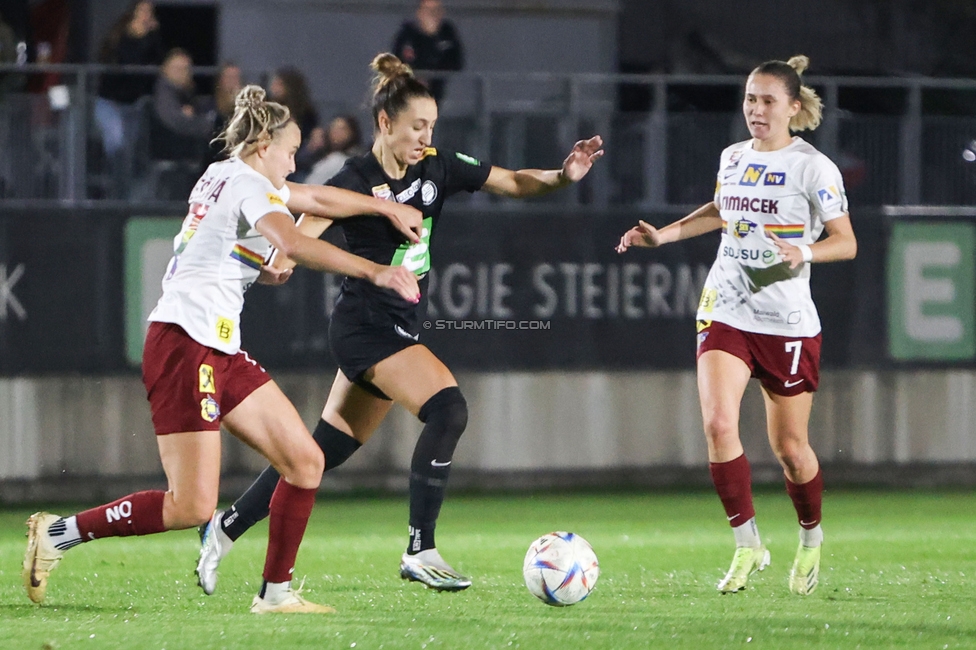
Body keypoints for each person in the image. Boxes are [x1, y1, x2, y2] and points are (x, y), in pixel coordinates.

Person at [194, 52, 603, 594]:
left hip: (397, 326)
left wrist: (561, 174)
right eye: (417, 126)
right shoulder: (355, 179)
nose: (426, 136)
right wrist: (282, 257)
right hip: (367, 327)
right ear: (385, 123)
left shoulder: (436, 164)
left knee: (321, 452)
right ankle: (420, 548)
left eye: (432, 125)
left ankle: (225, 527)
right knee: (449, 409)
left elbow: (515, 182)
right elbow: (307, 223)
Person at [23, 84, 425, 614]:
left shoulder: (226, 174)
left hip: (216, 346)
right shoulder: (248, 186)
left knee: (305, 461)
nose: (293, 161)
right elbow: (295, 241)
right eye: (290, 151)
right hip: (185, 345)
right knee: (191, 504)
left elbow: (317, 199)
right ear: (264, 148)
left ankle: (275, 595)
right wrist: (376, 269)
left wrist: (382, 207)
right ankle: (59, 534)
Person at [616, 55, 857, 596]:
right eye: (750, 99)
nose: (756, 109)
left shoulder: (814, 167)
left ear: (793, 107)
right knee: (720, 425)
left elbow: (848, 241)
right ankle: (748, 544)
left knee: (791, 449)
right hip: (727, 305)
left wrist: (804, 251)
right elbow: (723, 210)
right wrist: (665, 237)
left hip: (787, 320)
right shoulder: (732, 157)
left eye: (768, 100)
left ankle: (811, 539)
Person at [95, 1, 164, 158]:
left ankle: (123, 180)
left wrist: (153, 34)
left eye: (149, 11)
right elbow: (126, 59)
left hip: (134, 101)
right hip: (111, 98)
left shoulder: (151, 36)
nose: (146, 15)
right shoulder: (120, 33)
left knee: (130, 147)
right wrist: (142, 36)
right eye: (142, 10)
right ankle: (112, 177)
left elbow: (159, 60)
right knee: (116, 143)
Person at [391, 0, 463, 102]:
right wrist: (415, 78)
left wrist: (433, 78)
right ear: (419, 12)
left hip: (445, 96)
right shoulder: (408, 34)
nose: (432, 14)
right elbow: (397, 62)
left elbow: (456, 63)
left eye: (436, 10)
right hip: (409, 97)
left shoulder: (447, 33)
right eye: (428, 10)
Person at [151, 48, 215, 162]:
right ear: (165, 69)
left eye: (185, 69)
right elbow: (174, 121)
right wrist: (206, 125)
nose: (181, 72)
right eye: (176, 68)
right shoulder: (164, 94)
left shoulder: (187, 93)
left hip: (189, 147)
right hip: (173, 149)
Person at [268, 67, 323, 180]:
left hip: (299, 161)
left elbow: (309, 140)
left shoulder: (306, 113)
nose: (273, 87)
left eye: (279, 84)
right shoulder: (268, 109)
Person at [305, 114, 363, 185]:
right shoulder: (320, 154)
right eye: (333, 127)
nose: (336, 132)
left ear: (352, 132)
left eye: (341, 129)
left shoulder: (352, 160)